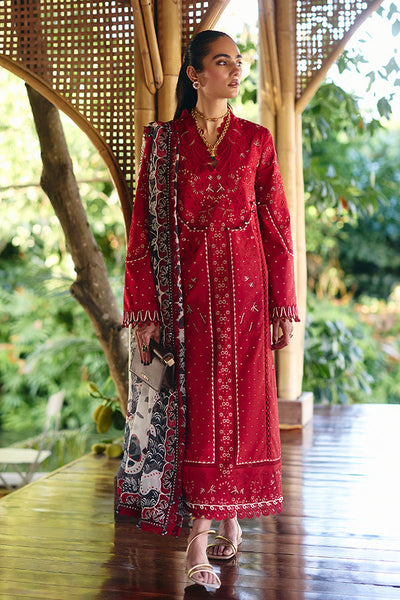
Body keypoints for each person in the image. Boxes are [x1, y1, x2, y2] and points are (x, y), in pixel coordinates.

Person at [116, 30, 299, 590]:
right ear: (195, 74)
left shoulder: (257, 141)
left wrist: (282, 304)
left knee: (242, 408)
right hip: (186, 300)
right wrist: (145, 309)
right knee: (198, 411)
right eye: (223, 62)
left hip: (247, 297)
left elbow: (277, 226)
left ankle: (229, 519)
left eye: (238, 61)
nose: (235, 70)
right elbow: (143, 226)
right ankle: (199, 537)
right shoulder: (164, 142)